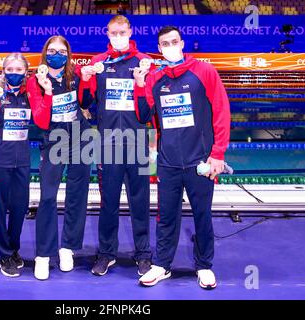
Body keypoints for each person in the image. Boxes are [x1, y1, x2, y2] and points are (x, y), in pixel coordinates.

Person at [132, 26, 230, 289]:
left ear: (182, 43)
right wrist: (140, 86)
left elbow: (221, 110)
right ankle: (162, 265)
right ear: (160, 48)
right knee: (166, 216)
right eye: (165, 43)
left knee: (202, 215)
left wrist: (217, 154)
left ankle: (204, 266)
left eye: (174, 41)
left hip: (200, 161)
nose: (170, 46)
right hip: (168, 162)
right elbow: (143, 116)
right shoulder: (155, 78)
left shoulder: (204, 71)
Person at [80, 15, 153, 277]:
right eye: (114, 32)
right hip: (107, 142)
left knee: (140, 201)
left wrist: (143, 80)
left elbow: (147, 111)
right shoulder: (98, 63)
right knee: (108, 201)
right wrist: (86, 78)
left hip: (138, 142)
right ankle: (107, 253)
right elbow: (87, 102)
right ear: (107, 33)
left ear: (131, 31)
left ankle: (143, 254)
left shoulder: (143, 62)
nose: (119, 36)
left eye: (123, 31)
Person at [27, 35, 93, 280]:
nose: (57, 54)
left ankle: (68, 248)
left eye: (62, 51)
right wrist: (46, 91)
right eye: (52, 50)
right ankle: (43, 254)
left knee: (78, 193)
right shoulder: (35, 81)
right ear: (45, 53)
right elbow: (41, 120)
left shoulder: (74, 75)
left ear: (68, 54)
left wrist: (86, 82)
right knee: (48, 196)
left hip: (80, 135)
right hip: (54, 137)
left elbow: (87, 102)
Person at [0, 53, 44, 277]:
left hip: (22, 163)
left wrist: (45, 90)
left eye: (18, 69)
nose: (14, 73)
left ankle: (13, 249)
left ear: (26, 72)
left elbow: (43, 120)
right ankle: (3, 254)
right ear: (3, 70)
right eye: (10, 69)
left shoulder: (29, 95)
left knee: (19, 209)